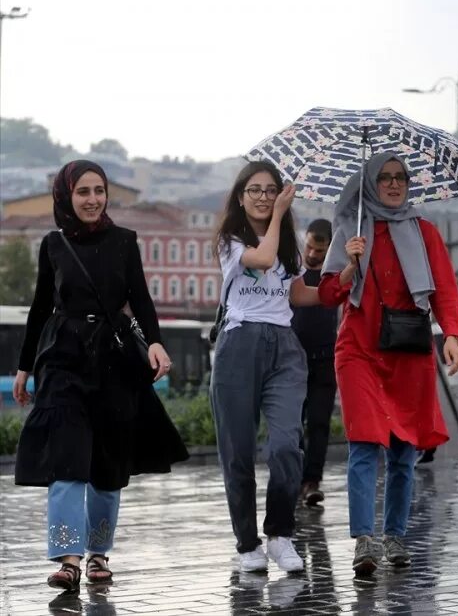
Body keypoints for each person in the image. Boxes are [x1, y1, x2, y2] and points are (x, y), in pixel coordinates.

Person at [12, 160, 188, 591]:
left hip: (113, 362)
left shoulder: (125, 242)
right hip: (63, 360)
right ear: (67, 197)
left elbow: (141, 299)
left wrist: (156, 342)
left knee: (107, 470)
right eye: (83, 192)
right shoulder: (52, 245)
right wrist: (24, 366)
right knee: (67, 464)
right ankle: (69, 560)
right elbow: (39, 309)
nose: (93, 200)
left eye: (99, 190)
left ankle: (98, 555)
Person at [317, 152, 458, 577]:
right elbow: (328, 294)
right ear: (369, 183)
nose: (395, 185)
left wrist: (452, 335)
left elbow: (446, 292)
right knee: (364, 442)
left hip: (410, 350)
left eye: (401, 177)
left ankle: (395, 535)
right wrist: (350, 265)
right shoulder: (350, 228)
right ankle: (365, 539)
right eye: (385, 178)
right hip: (360, 349)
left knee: (404, 451)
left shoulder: (425, 232)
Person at [212, 160, 320, 574]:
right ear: (241, 198)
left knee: (286, 446)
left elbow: (299, 295)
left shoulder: (287, 243)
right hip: (240, 344)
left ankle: (280, 535)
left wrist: (346, 275)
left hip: (284, 347)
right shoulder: (229, 241)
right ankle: (247, 544)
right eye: (255, 190)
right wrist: (278, 216)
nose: (262, 197)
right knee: (237, 452)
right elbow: (262, 258)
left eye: (271, 190)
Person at [290, 219, 339, 508]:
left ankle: (311, 482)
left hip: (324, 361)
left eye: (319, 250)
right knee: (292, 424)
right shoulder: (293, 271)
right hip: (294, 362)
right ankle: (293, 479)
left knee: (319, 424)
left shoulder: (334, 274)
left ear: (328, 248)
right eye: (309, 246)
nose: (312, 254)